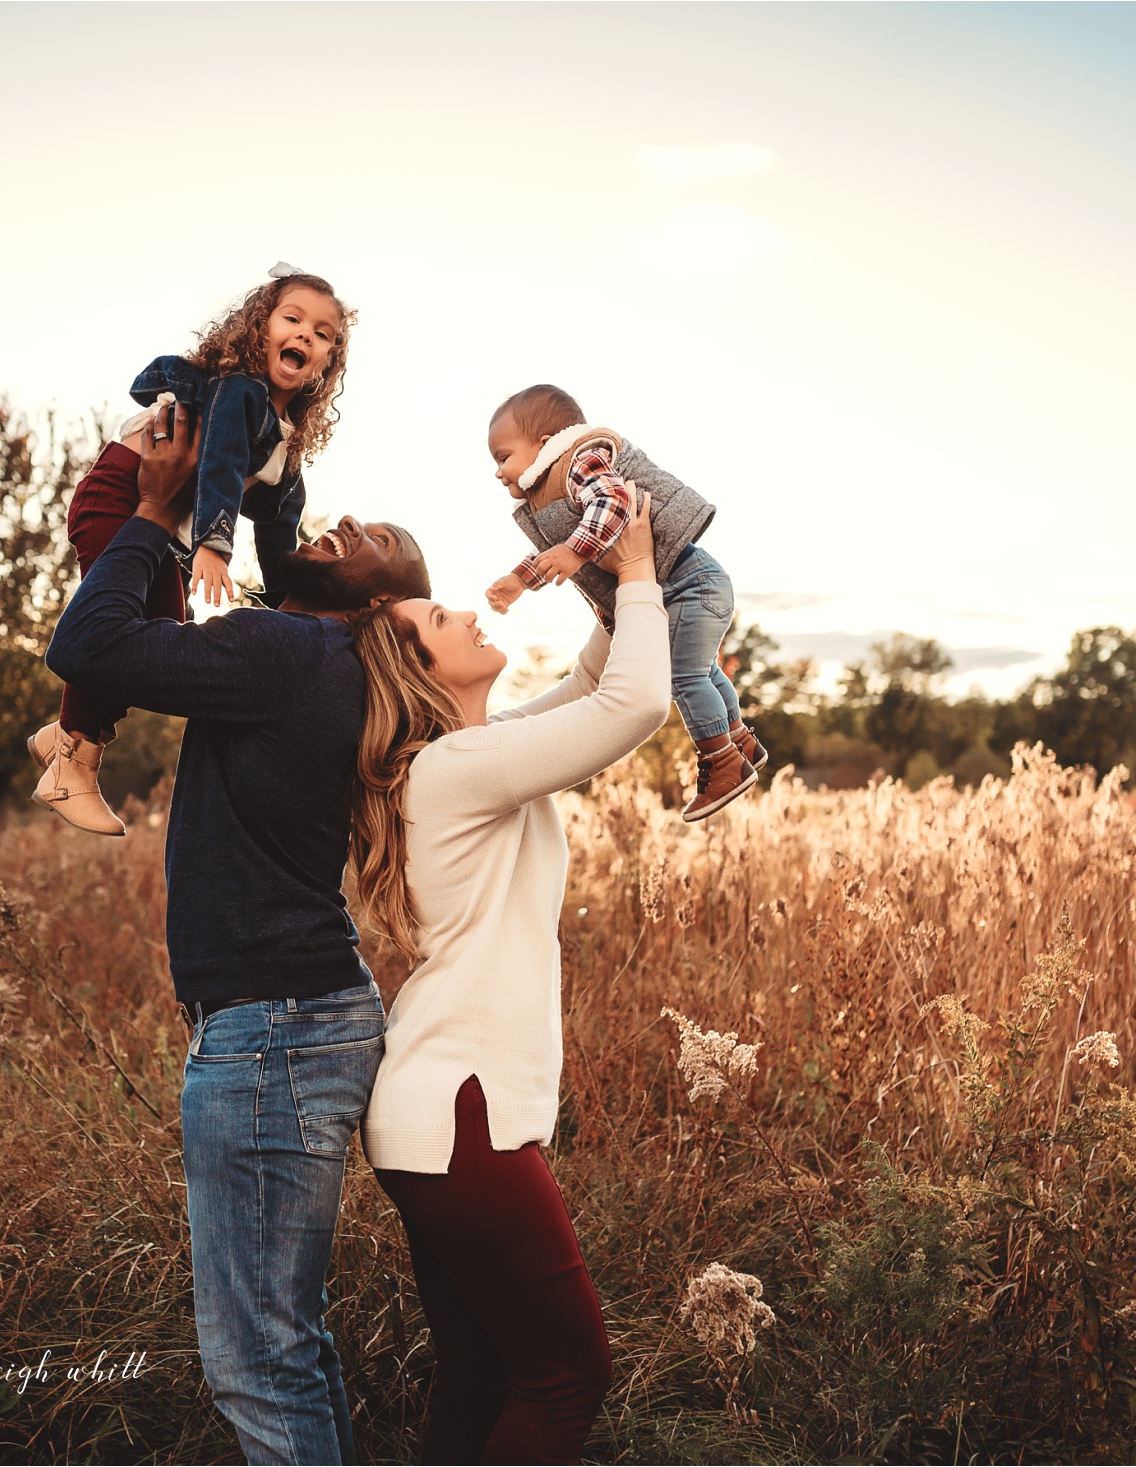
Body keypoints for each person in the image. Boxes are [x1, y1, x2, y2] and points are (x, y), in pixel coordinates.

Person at [45, 400, 431, 1465]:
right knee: (284, 1348)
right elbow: (260, 561)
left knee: (257, 1360)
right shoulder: (315, 661)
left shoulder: (288, 656)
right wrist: (261, 475)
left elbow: (88, 644)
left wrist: (160, 513)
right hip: (297, 1021)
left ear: (389, 605)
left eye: (380, 542)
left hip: (275, 1036)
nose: (353, 524)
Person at [344, 493, 670, 1463]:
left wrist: (603, 574)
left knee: (484, 1371)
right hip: (458, 1115)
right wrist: (646, 567)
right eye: (439, 621)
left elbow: (590, 681)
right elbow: (637, 705)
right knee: (567, 1373)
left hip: (443, 1115)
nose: (467, 614)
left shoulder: (468, 759)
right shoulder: (454, 770)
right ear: (414, 672)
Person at [31, 264, 354, 835]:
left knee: (164, 629)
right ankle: (73, 766)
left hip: (158, 523)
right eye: (293, 319)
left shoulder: (282, 440)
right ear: (260, 329)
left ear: (327, 364)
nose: (306, 335)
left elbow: (280, 528)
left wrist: (290, 608)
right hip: (120, 495)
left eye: (323, 334)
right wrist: (214, 547)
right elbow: (219, 463)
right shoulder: (240, 392)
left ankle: (60, 735)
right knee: (121, 628)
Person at [483, 383, 768, 821]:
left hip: (689, 583)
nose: (498, 472)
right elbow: (562, 550)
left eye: (503, 457)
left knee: (685, 676)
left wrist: (575, 551)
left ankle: (722, 761)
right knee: (703, 669)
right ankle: (738, 740)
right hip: (687, 585)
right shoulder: (551, 492)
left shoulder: (580, 460)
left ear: (543, 445)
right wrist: (520, 580)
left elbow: (613, 501)